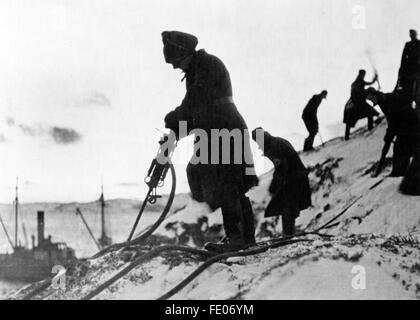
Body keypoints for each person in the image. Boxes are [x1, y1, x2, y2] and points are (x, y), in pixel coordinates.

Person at [161, 31, 258, 253]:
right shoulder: (197, 70)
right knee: (225, 183)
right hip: (216, 129)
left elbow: (195, 104)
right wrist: (174, 129)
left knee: (229, 184)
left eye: (176, 61)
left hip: (225, 128)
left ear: (185, 53)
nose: (175, 67)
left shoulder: (207, 66)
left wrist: (173, 120)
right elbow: (195, 112)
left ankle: (238, 239)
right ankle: (243, 237)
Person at [252, 128, 311, 236]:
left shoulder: (274, 147)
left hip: (293, 178)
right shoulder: (276, 141)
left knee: (287, 205)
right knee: (288, 205)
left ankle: (288, 234)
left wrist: (273, 187)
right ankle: (288, 232)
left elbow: (281, 168)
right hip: (295, 176)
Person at [366, 88, 418, 177]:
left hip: (410, 124)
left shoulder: (386, 100)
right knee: (399, 148)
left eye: (371, 99)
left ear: (374, 95)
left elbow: (393, 118)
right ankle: (399, 172)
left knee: (401, 147)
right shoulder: (382, 100)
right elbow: (391, 120)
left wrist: (389, 135)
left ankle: (399, 173)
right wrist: (389, 134)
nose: (371, 101)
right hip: (405, 125)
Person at [343, 70, 380, 140]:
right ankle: (370, 128)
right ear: (361, 75)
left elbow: (369, 83)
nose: (363, 76)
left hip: (356, 104)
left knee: (350, 120)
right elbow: (358, 93)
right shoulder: (357, 83)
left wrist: (374, 79)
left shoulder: (358, 82)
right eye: (363, 75)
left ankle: (347, 136)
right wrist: (373, 82)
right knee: (369, 113)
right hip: (356, 104)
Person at [396, 29, 420, 105]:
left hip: (417, 68)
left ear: (416, 34)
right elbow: (403, 58)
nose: (412, 35)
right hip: (408, 69)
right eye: (411, 34)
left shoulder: (419, 43)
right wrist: (401, 69)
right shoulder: (407, 44)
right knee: (406, 87)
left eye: (413, 34)